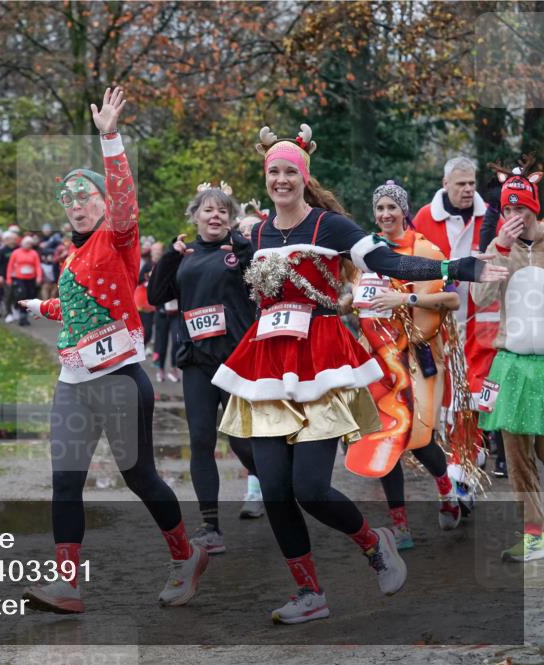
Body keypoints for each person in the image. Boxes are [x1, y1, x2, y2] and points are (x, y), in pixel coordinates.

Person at [211, 124, 507, 625]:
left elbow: (391, 260)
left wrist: (459, 268)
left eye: (290, 172)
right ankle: (309, 593)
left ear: (304, 178)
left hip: (321, 364)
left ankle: (374, 543)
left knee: (308, 488)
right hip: (266, 366)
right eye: (274, 172)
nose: (281, 180)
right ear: (266, 177)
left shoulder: (333, 227)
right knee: (276, 487)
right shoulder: (257, 233)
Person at [18, 88, 208, 613]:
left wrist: (109, 138)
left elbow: (126, 200)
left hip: (121, 380)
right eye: (69, 201)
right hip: (74, 383)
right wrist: (43, 306)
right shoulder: (68, 254)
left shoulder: (118, 237)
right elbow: (80, 310)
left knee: (139, 476)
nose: (77, 207)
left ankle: (184, 556)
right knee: (65, 482)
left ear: (104, 204)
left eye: (86, 199)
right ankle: (67, 585)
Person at [342, 180, 462, 550]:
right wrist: (347, 302)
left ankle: (447, 491)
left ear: (404, 211)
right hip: (375, 360)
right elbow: (356, 293)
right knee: (384, 436)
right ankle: (401, 525)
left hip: (415, 358)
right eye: (379, 209)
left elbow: (451, 300)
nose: (385, 215)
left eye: (392, 207)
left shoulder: (423, 248)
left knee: (417, 437)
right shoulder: (365, 253)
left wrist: (404, 297)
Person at [146, 184, 264, 555]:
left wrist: (244, 246)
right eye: (208, 211)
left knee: (242, 440)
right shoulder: (185, 254)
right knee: (201, 439)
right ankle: (211, 526)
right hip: (196, 361)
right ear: (195, 216)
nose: (216, 217)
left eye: (223, 212)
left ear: (230, 219)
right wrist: (169, 256)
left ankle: (267, 482)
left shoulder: (239, 251)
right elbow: (154, 297)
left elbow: (258, 277)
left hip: (236, 361)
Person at [412, 156, 498, 492]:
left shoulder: (490, 217)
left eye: (471, 183)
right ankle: (460, 468)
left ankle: (465, 465)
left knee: (472, 398)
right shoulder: (424, 218)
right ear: (445, 184)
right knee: (444, 399)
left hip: (481, 323)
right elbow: (413, 267)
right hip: (439, 322)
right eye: (460, 184)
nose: (467, 190)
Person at [473, 156, 544, 562]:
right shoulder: (498, 248)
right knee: (517, 457)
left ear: (534, 207)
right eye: (508, 209)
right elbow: (478, 299)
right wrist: (498, 248)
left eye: (521, 208)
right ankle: (534, 534)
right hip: (513, 364)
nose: (515, 215)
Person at [150, 241, 180, 382]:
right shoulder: (149, 267)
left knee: (176, 341)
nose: (155, 255)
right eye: (153, 252)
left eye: (157, 252)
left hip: (175, 313)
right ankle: (160, 369)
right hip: (161, 313)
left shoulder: (172, 266)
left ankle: (174, 369)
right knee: (161, 344)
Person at [6, 235, 43, 326]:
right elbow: (10, 266)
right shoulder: (16, 252)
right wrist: (9, 278)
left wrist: (39, 277)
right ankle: (20, 313)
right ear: (23, 243)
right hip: (19, 278)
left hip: (31, 278)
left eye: (30, 244)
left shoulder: (34, 253)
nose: (29, 245)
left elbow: (37, 266)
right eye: (27, 243)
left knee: (29, 297)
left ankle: (24, 316)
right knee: (21, 295)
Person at [0, 229, 20, 322]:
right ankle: (8, 313)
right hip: (6, 275)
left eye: (14, 239)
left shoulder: (19, 249)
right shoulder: (3, 250)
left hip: (18, 275)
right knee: (8, 294)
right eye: (10, 238)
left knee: (17, 294)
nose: (12, 240)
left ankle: (15, 309)